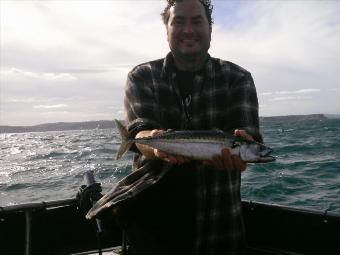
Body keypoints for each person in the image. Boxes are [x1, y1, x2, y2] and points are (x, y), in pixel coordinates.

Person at [88, 0, 262, 254]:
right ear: (166, 29)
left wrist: (245, 142)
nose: (188, 30)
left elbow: (249, 135)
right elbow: (139, 132)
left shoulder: (238, 78)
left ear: (210, 28)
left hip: (218, 224)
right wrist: (153, 143)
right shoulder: (142, 76)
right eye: (179, 21)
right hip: (152, 226)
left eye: (197, 21)